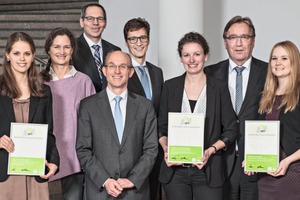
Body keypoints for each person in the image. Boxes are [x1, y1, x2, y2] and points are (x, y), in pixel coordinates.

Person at [158, 32, 238, 200]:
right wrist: (166, 148)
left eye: (197, 54)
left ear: (206, 56)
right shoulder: (169, 87)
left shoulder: (219, 88)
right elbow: (161, 128)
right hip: (175, 173)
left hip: (209, 171)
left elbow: (231, 129)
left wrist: (211, 150)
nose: (192, 60)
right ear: (180, 58)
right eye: (186, 55)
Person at [76, 50, 158, 199]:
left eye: (123, 66)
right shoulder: (88, 106)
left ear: (131, 72)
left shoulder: (145, 106)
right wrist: (105, 180)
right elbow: (83, 149)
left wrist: (132, 179)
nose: (117, 71)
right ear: (104, 71)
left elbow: (151, 149)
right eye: (112, 66)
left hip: (134, 191)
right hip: (99, 190)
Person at [204, 15, 268, 200]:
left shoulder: (268, 72)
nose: (238, 43)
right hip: (220, 160)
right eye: (233, 38)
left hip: (255, 161)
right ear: (225, 43)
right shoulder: (210, 73)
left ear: (253, 42)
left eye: (244, 37)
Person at [0, 32, 59, 199]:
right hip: (5, 174)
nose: (22, 59)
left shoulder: (44, 91)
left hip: (35, 173)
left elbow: (49, 133)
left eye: (27, 53)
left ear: (33, 56)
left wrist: (54, 161)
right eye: (16, 53)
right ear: (8, 55)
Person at [40, 27, 95, 200]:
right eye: (56, 47)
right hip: (46, 156)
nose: (61, 52)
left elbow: (95, 122)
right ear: (49, 50)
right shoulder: (37, 82)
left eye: (66, 47)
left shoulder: (84, 81)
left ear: (72, 50)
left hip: (75, 159)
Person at [124, 17, 164, 200]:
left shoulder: (157, 72)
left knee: (154, 192)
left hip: (155, 146)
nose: (138, 43)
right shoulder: (120, 72)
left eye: (143, 38)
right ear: (126, 42)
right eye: (133, 39)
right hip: (131, 149)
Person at [257, 40, 300, 200]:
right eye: (274, 58)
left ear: (293, 62)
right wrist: (252, 159)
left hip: (294, 172)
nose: (278, 63)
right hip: (266, 174)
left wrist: (287, 161)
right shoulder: (265, 97)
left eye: (284, 58)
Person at [73, 3, 121, 93]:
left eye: (100, 19)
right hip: (83, 104)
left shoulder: (115, 50)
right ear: (82, 22)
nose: (95, 23)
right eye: (90, 18)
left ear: (105, 23)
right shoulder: (71, 49)